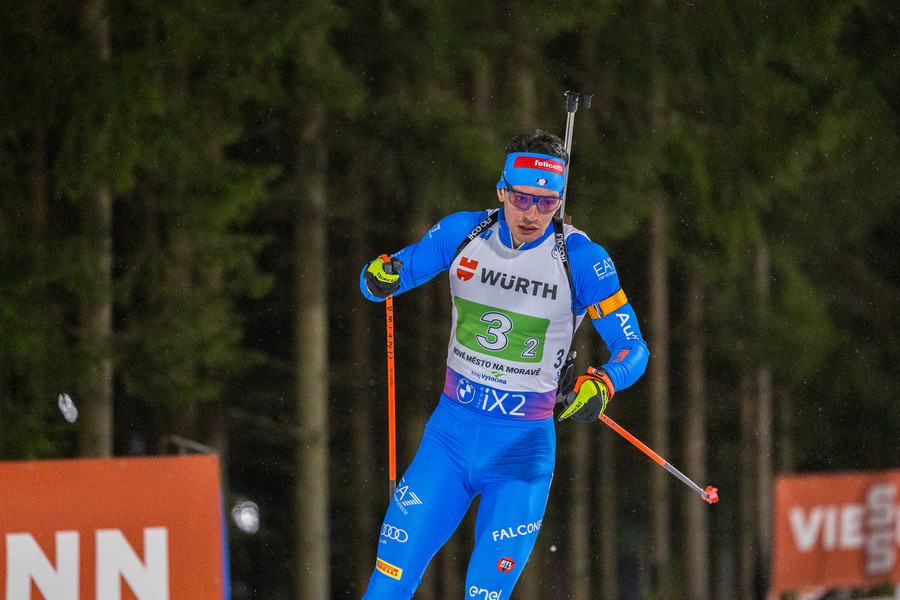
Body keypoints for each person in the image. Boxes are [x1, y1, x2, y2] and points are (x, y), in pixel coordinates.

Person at [359, 129, 649, 600]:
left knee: (484, 595)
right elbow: (384, 279)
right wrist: (379, 276)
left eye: (546, 202)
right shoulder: (462, 233)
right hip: (449, 439)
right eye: (521, 198)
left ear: (560, 200)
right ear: (501, 190)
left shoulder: (581, 260)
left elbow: (633, 349)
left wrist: (604, 383)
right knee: (387, 584)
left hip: (521, 452)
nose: (532, 213)